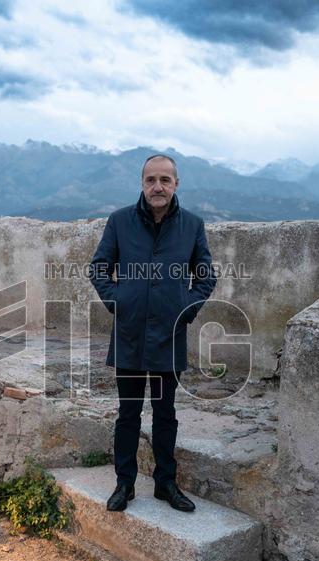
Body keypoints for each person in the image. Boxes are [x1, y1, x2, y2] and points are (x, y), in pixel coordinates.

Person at [88, 154, 217, 512]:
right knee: (127, 414)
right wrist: (119, 302)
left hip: (168, 340)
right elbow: (99, 268)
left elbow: (206, 276)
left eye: (164, 179)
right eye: (150, 180)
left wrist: (185, 312)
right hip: (129, 336)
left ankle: (166, 484)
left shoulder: (192, 225)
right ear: (142, 184)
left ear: (176, 184)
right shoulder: (119, 222)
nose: (157, 186)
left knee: (165, 414)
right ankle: (124, 484)